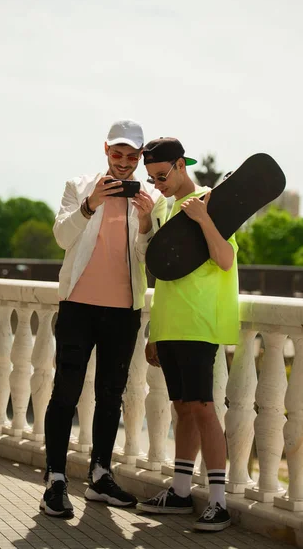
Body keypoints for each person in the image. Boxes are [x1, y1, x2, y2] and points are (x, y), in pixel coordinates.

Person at [40, 120, 167, 518]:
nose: (125, 163)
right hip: (77, 305)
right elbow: (62, 237)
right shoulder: (79, 186)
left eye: (133, 156)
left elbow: (154, 261)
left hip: (123, 311)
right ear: (106, 149)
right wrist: (90, 203)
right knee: (66, 391)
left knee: (111, 395)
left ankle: (99, 476)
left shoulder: (152, 196)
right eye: (118, 154)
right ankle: (55, 481)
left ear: (141, 157)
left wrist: (146, 223)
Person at [136, 137, 239, 532]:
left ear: (181, 165)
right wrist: (155, 330)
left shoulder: (211, 201)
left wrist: (203, 219)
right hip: (170, 321)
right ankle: (180, 492)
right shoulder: (162, 206)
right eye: (152, 177)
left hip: (200, 322)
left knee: (203, 408)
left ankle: (218, 502)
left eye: (162, 175)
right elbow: (159, 269)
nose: (157, 183)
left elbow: (225, 260)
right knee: (181, 406)